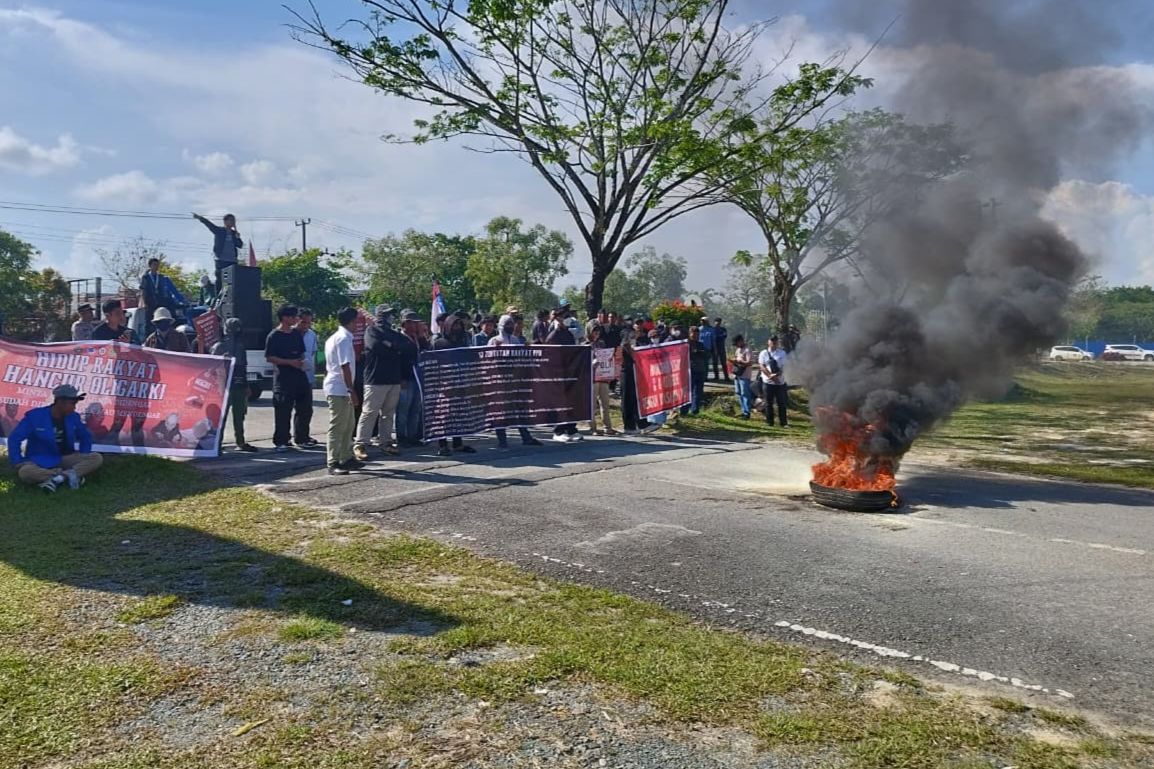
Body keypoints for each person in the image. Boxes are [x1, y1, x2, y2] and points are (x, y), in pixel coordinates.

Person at [7, 384, 103, 493]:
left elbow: (85, 436)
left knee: (96, 457)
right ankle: (68, 476)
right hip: (39, 461)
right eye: (72, 404)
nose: (75, 407)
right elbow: (14, 438)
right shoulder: (35, 416)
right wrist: (18, 461)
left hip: (66, 458)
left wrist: (83, 453)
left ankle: (58, 478)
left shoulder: (74, 417)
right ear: (60, 402)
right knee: (25, 472)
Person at [355, 306, 414, 459]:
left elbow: (408, 347)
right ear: (380, 315)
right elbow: (375, 346)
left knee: (388, 414)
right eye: (387, 314)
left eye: (391, 314)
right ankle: (361, 443)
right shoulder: (371, 330)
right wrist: (394, 348)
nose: (390, 317)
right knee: (370, 412)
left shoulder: (394, 333)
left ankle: (386, 442)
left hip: (393, 378)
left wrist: (390, 345)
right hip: (375, 379)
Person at [487, 314, 545, 448]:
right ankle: (502, 440)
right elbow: (488, 361)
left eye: (511, 324)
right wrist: (496, 351)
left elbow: (521, 359)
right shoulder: (494, 340)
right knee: (500, 411)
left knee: (520, 409)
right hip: (501, 382)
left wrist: (527, 350)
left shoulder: (515, 340)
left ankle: (526, 437)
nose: (510, 326)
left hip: (516, 380)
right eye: (507, 324)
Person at [265, 305, 315, 451]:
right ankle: (281, 441)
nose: (295, 319)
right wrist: (289, 362)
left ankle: (302, 438)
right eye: (293, 317)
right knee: (283, 411)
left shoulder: (296, 334)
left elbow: (301, 352)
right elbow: (270, 357)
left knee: (305, 408)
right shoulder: (274, 335)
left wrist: (303, 362)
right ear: (284, 318)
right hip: (283, 378)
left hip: (300, 375)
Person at [432, 312, 478, 457]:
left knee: (459, 414)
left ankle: (458, 443)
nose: (457, 328)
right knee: (444, 415)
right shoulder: (439, 343)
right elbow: (433, 363)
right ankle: (442, 444)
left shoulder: (463, 343)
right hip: (445, 383)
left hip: (462, 382)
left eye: (459, 325)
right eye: (454, 325)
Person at [323, 308, 362, 475]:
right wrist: (351, 390)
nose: (358, 324)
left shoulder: (338, 337)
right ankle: (333, 462)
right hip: (339, 387)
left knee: (349, 424)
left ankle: (346, 457)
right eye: (357, 321)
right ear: (352, 321)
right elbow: (344, 366)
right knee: (338, 425)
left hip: (342, 387)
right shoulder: (343, 338)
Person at [210, 317, 257, 452]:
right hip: (223, 387)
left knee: (239, 415)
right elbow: (212, 368)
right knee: (221, 417)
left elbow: (243, 367)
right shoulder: (218, 346)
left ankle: (240, 441)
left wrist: (246, 385)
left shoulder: (241, 346)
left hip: (239, 385)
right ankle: (216, 443)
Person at [545, 305, 581, 442]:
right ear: (558, 319)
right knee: (560, 403)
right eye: (565, 317)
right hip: (558, 374)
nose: (568, 319)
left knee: (571, 402)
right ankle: (558, 431)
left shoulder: (569, 334)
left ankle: (571, 428)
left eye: (568, 316)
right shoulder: (553, 336)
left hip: (570, 372)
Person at [395, 309, 428, 448]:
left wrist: (421, 336)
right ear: (405, 323)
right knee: (403, 409)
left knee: (416, 408)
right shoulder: (399, 338)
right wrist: (400, 378)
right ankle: (401, 437)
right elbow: (397, 360)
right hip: (405, 378)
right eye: (412, 323)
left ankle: (412, 436)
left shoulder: (417, 338)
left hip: (418, 378)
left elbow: (426, 350)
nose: (415, 325)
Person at [193, 212, 244, 294]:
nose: (233, 222)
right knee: (220, 278)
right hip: (221, 259)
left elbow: (240, 245)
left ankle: (231, 296)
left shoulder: (234, 234)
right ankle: (218, 296)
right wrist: (200, 218)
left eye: (234, 220)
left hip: (232, 260)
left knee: (232, 279)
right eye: (231, 220)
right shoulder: (219, 231)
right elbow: (209, 224)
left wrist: (238, 237)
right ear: (225, 221)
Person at [139, 257, 186, 336]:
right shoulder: (146, 277)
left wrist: (182, 300)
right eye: (154, 265)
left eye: (157, 265)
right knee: (149, 323)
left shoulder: (161, 277)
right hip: (150, 303)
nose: (156, 267)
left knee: (163, 320)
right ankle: (148, 338)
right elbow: (143, 290)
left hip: (161, 303)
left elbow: (173, 290)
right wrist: (144, 302)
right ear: (150, 266)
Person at [587, 323, 616, 435]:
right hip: (592, 377)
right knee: (592, 405)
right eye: (594, 331)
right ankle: (593, 428)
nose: (597, 333)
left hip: (603, 376)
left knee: (605, 403)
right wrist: (592, 362)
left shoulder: (602, 343)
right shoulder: (585, 344)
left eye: (598, 331)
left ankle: (607, 427)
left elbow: (606, 356)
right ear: (589, 331)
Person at [758, 335, 790, 427]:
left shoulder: (782, 353)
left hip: (780, 382)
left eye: (775, 341)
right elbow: (762, 366)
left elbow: (784, 367)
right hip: (767, 382)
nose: (774, 343)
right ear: (768, 342)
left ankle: (783, 423)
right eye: (772, 341)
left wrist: (776, 375)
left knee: (782, 403)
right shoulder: (763, 353)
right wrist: (770, 376)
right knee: (768, 403)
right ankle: (769, 422)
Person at [682, 325, 709, 416]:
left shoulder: (701, 344)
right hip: (690, 371)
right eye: (694, 335)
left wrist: (700, 352)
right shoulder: (686, 345)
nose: (696, 337)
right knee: (687, 391)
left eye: (697, 335)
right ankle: (684, 410)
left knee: (698, 392)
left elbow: (706, 356)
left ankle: (695, 410)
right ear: (689, 334)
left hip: (700, 370)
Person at [729, 334, 754, 419]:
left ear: (740, 341)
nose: (736, 345)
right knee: (739, 393)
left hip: (745, 375)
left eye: (736, 343)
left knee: (745, 393)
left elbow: (750, 362)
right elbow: (736, 360)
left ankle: (747, 413)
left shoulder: (747, 350)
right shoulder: (738, 350)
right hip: (737, 374)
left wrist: (740, 361)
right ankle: (743, 411)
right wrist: (733, 361)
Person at [711, 318, 729, 382]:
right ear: (714, 322)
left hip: (721, 348)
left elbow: (724, 335)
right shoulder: (712, 329)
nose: (718, 322)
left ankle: (726, 377)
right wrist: (718, 336)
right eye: (716, 321)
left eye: (719, 321)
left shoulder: (723, 329)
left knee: (723, 363)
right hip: (715, 348)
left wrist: (717, 336)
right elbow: (713, 338)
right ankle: (716, 377)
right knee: (715, 363)